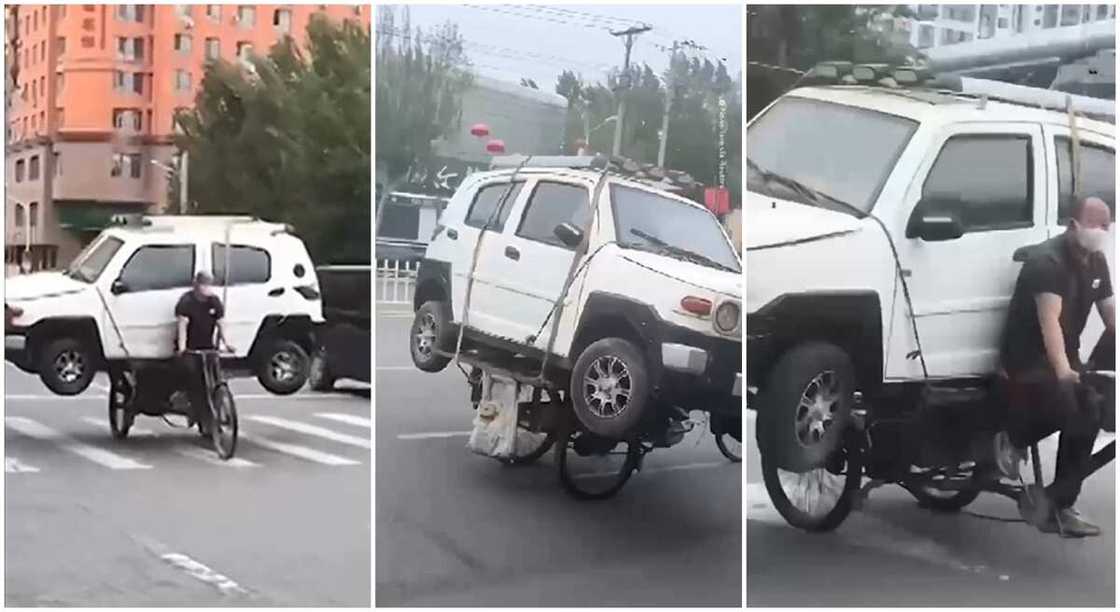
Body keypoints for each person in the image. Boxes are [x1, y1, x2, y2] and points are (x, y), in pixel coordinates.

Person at [998, 196, 1115, 537]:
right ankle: (1016, 439)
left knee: (1097, 402)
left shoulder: (1096, 262)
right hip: (1027, 364)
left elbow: (1113, 320)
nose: (1099, 231)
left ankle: (1057, 500)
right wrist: (1067, 375)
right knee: (1085, 408)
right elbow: (1050, 326)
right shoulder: (1047, 262)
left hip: (1066, 357)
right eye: (1093, 223)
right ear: (1073, 225)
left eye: (1105, 225)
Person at [175, 271, 234, 424]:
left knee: (214, 372)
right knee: (192, 372)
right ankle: (190, 403)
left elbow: (221, 324)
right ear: (196, 285)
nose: (206, 289)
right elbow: (182, 325)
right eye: (203, 285)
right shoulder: (186, 301)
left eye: (209, 285)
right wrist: (182, 347)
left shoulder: (214, 301)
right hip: (190, 348)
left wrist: (227, 343)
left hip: (208, 346)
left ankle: (216, 402)